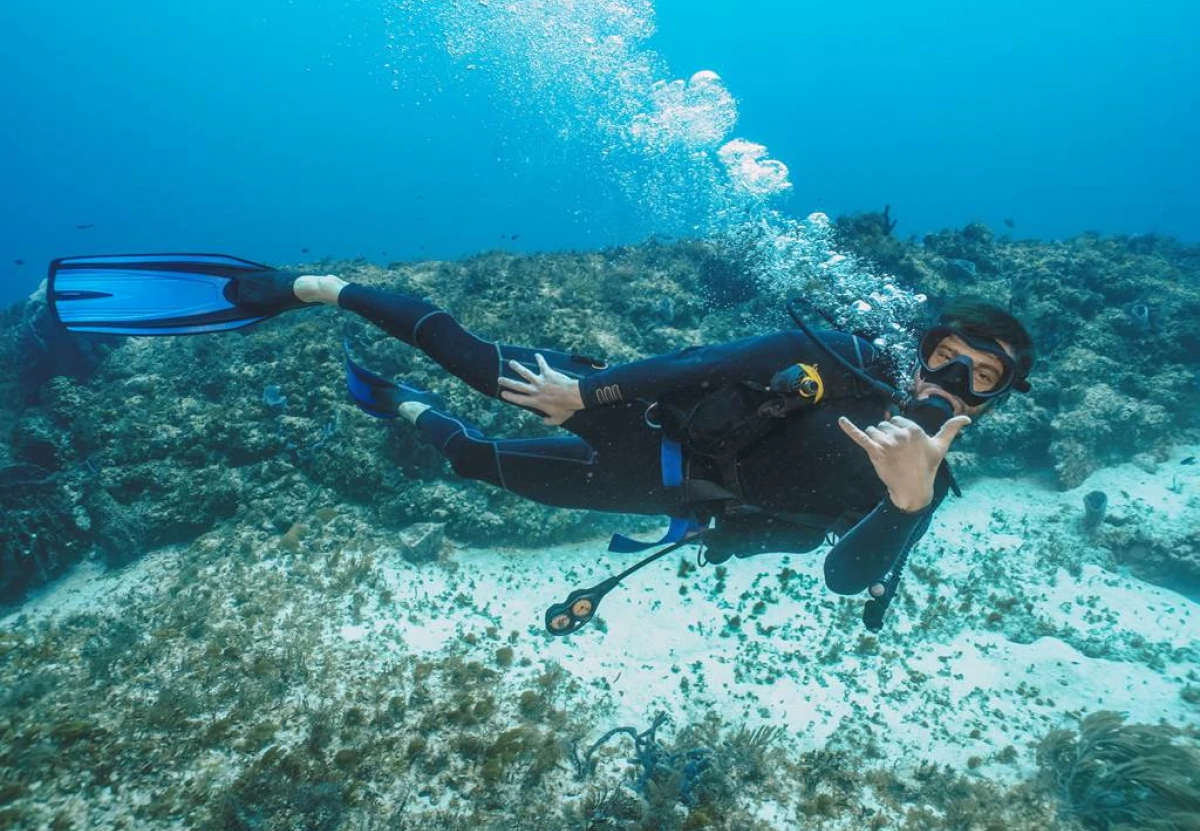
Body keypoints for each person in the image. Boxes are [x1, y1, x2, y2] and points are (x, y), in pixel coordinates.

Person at [46, 255, 1035, 630]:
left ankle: (395, 408)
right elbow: (700, 362)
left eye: (978, 381)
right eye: (945, 358)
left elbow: (846, 582)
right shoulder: (843, 359)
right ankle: (314, 287)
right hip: (643, 423)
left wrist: (907, 499)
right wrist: (587, 390)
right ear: (919, 347)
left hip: (667, 499)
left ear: (992, 404)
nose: (948, 384)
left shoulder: (929, 485)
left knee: (478, 462)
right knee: (491, 370)